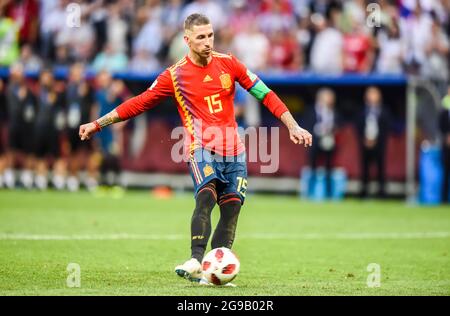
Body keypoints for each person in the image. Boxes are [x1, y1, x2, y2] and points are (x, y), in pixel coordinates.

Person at [79, 13, 312, 284]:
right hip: (200, 147)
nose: (208, 42)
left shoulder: (230, 64)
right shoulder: (175, 75)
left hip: (234, 150)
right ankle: (195, 258)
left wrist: (292, 126)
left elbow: (265, 93)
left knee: (232, 206)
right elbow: (140, 102)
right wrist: (99, 123)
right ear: (187, 40)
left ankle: (211, 272)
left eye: (210, 35)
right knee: (206, 196)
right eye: (201, 37)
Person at [304, 88, 339, 198]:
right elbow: (307, 124)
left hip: (328, 142)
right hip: (314, 142)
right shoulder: (311, 111)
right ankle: (310, 192)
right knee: (312, 167)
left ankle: (329, 193)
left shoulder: (333, 112)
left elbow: (338, 124)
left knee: (329, 168)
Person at [357, 86, 391, 199]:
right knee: (365, 168)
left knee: (381, 167)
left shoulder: (384, 111)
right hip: (365, 143)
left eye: (374, 94)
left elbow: (387, 127)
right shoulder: (362, 111)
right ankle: (364, 192)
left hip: (379, 143)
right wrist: (364, 139)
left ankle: (381, 192)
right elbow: (358, 126)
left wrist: (378, 139)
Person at [440, 87, 450, 203]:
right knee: (445, 172)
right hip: (446, 146)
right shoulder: (444, 107)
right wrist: (446, 136)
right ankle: (443, 199)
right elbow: (440, 125)